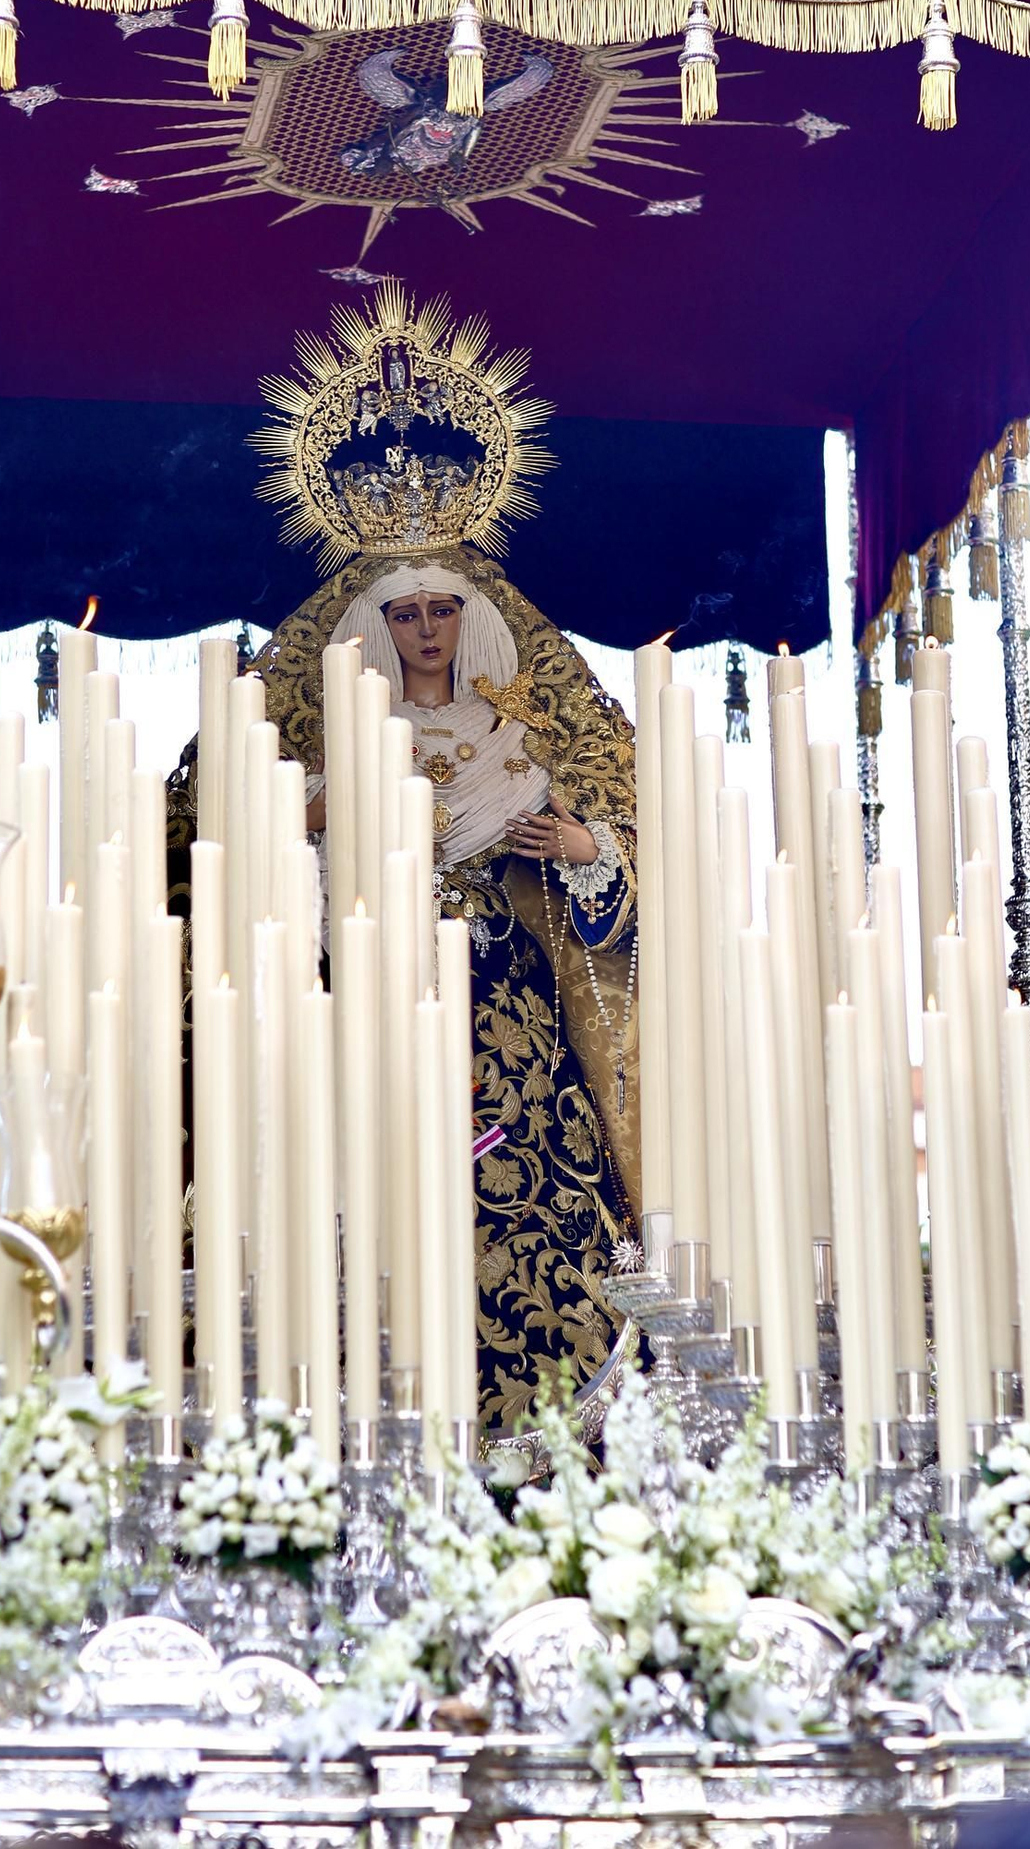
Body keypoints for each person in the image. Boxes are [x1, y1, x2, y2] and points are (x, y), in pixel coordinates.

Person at [228, 286, 641, 1436]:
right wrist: (319, 828)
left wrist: (579, 848)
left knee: (538, 1213)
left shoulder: (519, 741)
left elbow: (624, 862)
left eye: (438, 612)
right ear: (373, 629)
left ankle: (543, 1431)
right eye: (402, 613)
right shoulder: (325, 764)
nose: (423, 631)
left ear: (469, 622)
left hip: (506, 1008)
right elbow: (244, 872)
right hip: (366, 998)